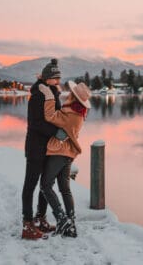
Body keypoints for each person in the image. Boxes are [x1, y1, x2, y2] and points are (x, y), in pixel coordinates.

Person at [22, 58, 68, 240]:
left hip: (48, 146)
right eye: (55, 78)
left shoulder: (50, 92)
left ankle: (40, 218)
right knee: (30, 185)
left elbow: (55, 115)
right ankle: (27, 225)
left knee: (45, 184)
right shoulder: (38, 95)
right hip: (35, 147)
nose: (58, 81)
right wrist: (57, 132)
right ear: (47, 78)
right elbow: (36, 123)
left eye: (59, 78)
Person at [39, 80, 91, 238]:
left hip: (59, 153)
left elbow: (50, 116)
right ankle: (71, 225)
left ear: (74, 97)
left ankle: (61, 218)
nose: (68, 94)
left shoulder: (70, 113)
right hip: (68, 154)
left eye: (71, 93)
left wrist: (49, 96)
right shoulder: (79, 113)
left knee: (45, 185)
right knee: (65, 189)